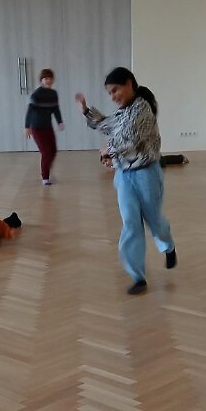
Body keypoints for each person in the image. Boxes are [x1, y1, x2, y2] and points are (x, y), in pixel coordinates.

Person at [75, 66, 177, 295]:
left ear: (130, 84)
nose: (113, 96)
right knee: (130, 223)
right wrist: (86, 111)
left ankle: (168, 246)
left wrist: (108, 150)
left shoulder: (142, 109)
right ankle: (137, 276)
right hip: (124, 176)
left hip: (147, 174)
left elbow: (129, 138)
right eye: (109, 93)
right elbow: (107, 124)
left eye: (115, 90)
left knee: (154, 221)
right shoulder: (123, 112)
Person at [24, 68, 65, 185]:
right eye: (45, 78)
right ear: (41, 80)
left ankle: (46, 167)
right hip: (36, 128)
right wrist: (27, 127)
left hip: (48, 127)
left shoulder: (53, 94)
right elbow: (30, 111)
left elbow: (56, 109)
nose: (48, 80)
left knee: (53, 150)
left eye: (50, 78)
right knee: (46, 152)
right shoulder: (36, 95)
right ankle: (45, 178)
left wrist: (60, 122)